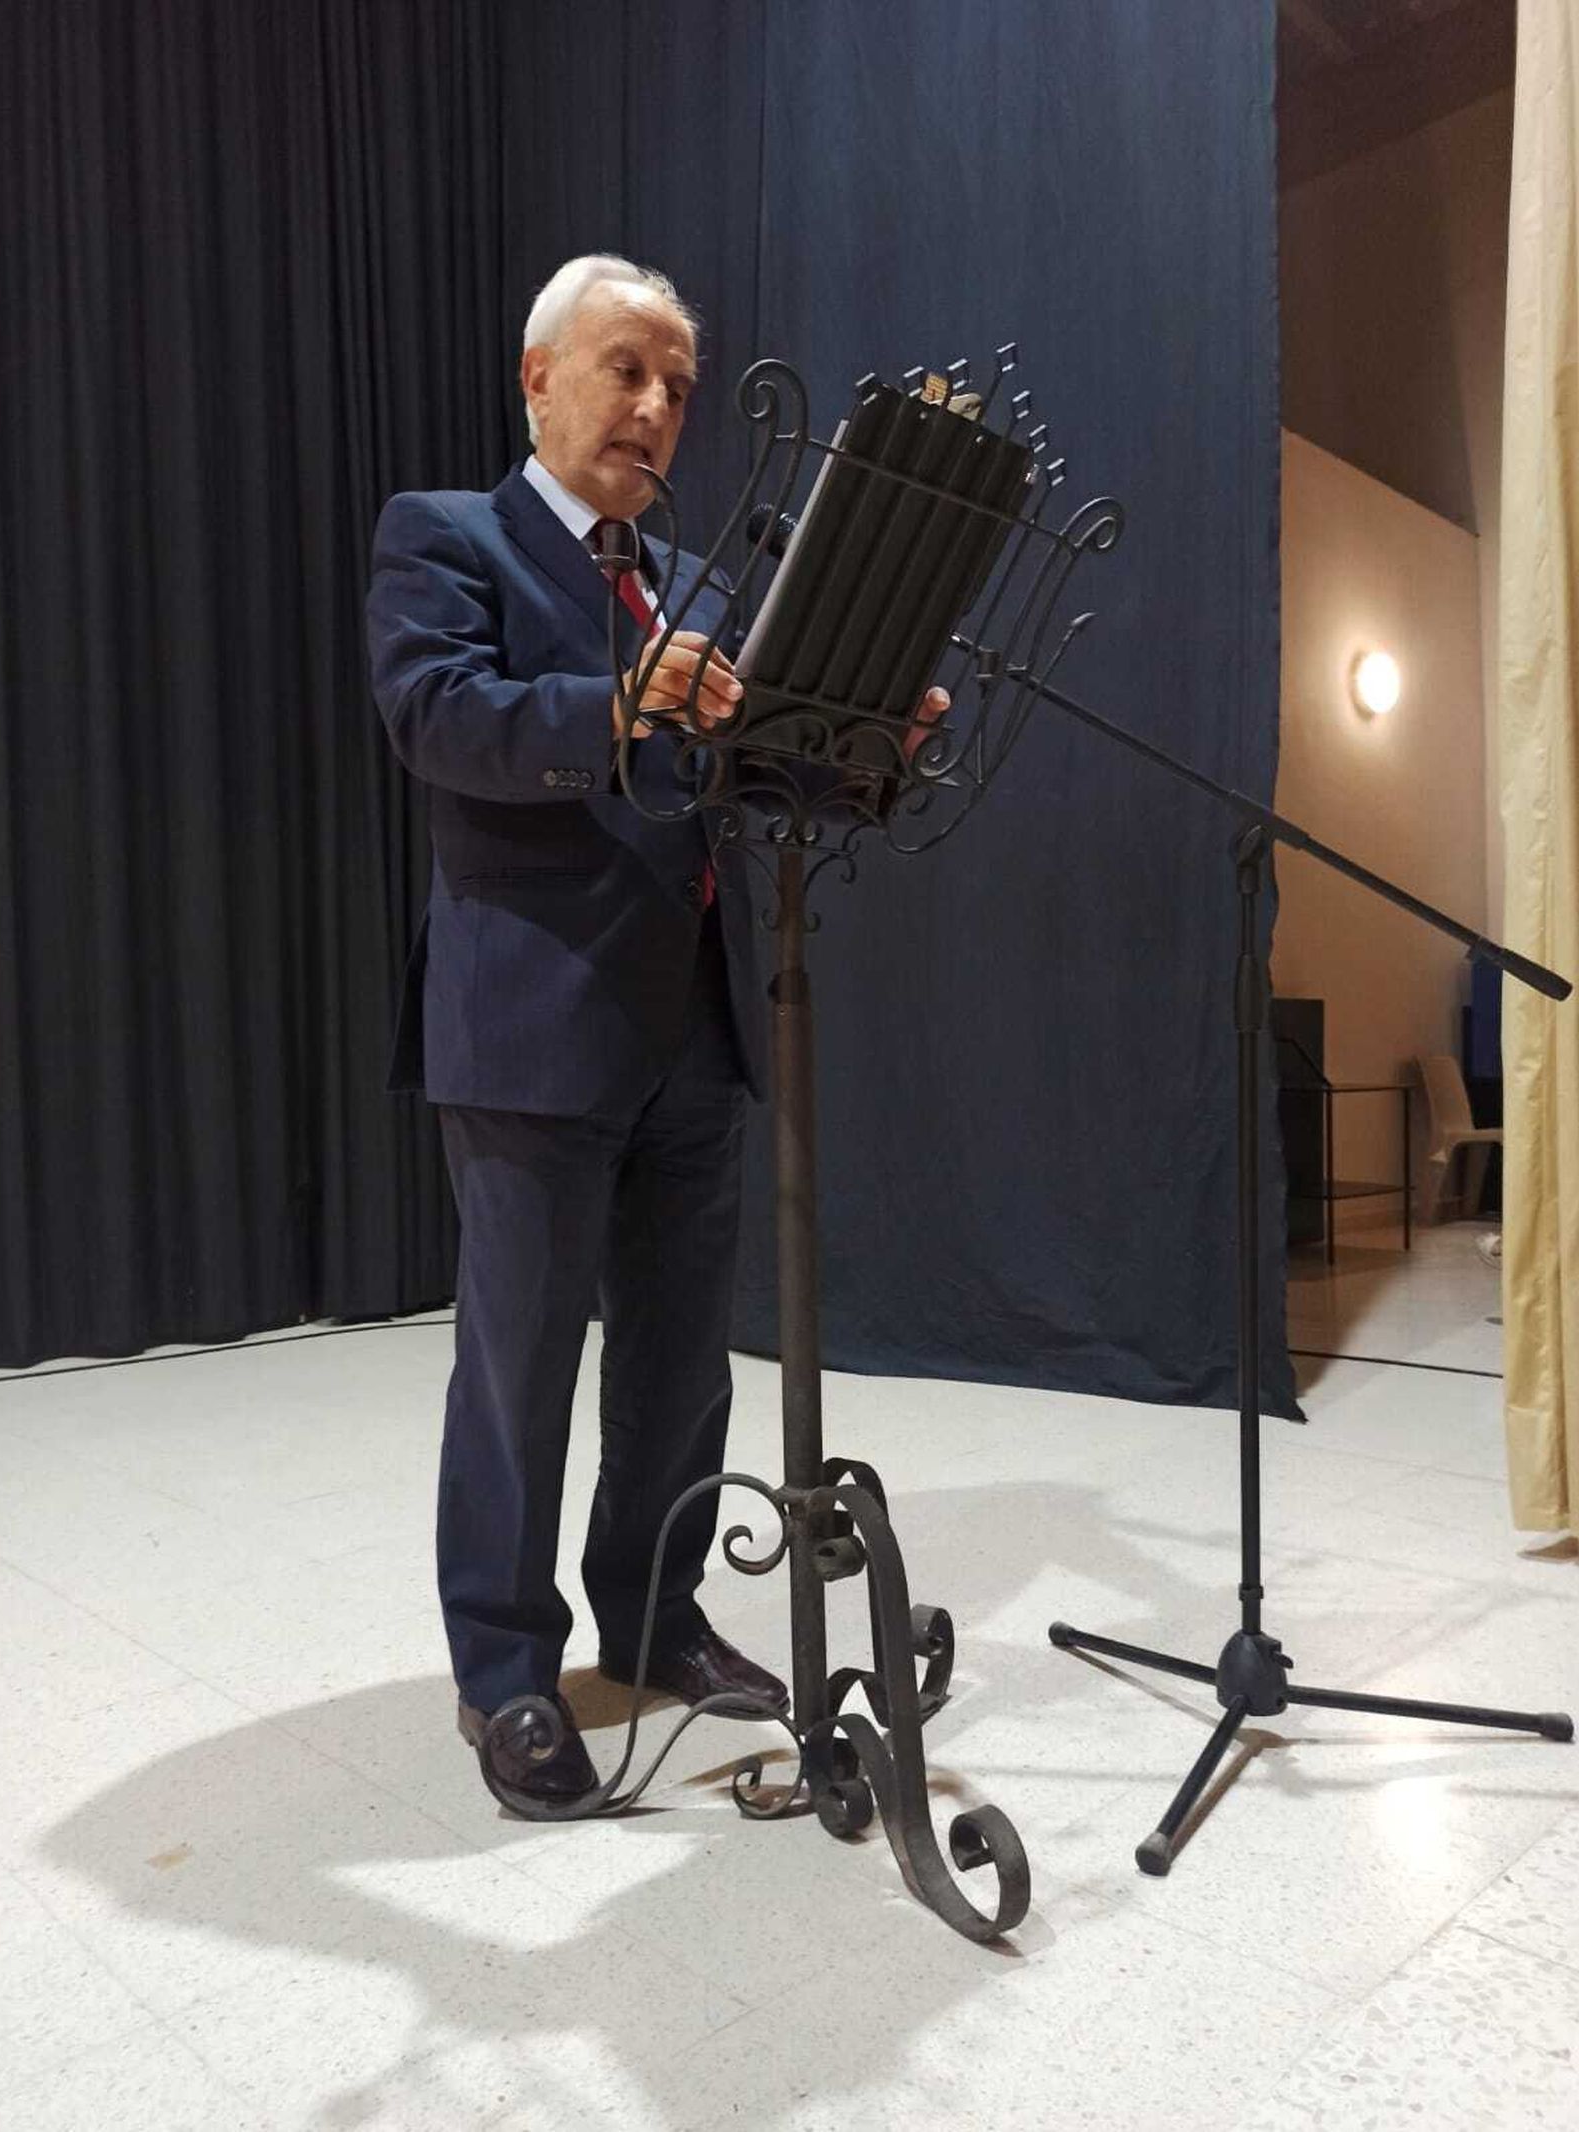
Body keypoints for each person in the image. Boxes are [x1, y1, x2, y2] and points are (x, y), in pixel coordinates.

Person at [367, 254, 944, 1806]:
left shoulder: (688, 588)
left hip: (692, 1027)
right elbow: (434, 715)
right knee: (521, 1367)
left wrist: (865, 745)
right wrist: (620, 701)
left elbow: (747, 782)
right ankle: (504, 1669)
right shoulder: (449, 536)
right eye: (627, 371)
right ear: (537, 377)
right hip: (532, 1026)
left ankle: (653, 1615)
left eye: (679, 386)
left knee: (684, 1370)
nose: (657, 408)